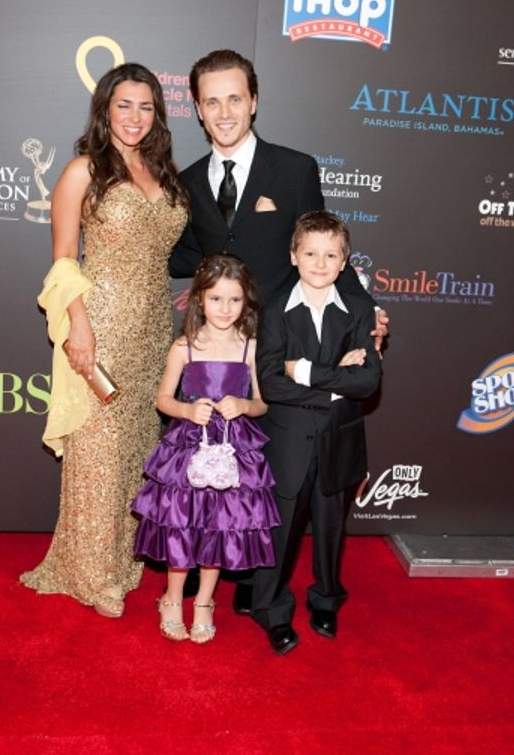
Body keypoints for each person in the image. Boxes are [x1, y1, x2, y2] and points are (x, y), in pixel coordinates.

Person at [168, 48, 388, 609]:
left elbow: (323, 250)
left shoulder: (294, 169)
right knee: (212, 452)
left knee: (268, 467)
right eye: (212, 101)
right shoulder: (187, 182)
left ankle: (252, 579)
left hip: (282, 344)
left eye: (234, 98)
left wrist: (365, 315)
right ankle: (211, 558)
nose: (224, 112)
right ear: (197, 108)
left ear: (254, 102)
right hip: (220, 345)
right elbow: (184, 253)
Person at [20, 63, 188, 618]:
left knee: (137, 450)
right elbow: (63, 260)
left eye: (146, 106)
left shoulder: (163, 173)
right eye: (124, 105)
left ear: (157, 114)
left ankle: (121, 560)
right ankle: (91, 575)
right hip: (102, 326)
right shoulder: (83, 170)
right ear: (105, 110)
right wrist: (79, 325)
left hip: (154, 330)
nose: (135, 117)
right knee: (99, 453)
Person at [132, 254, 280, 643]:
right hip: (188, 447)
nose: (225, 308)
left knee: (220, 527)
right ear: (200, 298)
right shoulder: (184, 347)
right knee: (181, 526)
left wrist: (244, 405)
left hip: (234, 450)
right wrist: (185, 409)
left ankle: (204, 602)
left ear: (246, 302)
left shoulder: (250, 348)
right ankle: (172, 598)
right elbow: (163, 399)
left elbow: (263, 403)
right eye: (216, 299)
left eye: (234, 300)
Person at [252, 211, 382, 654]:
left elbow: (368, 380)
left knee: (331, 528)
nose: (320, 263)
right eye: (310, 253)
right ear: (294, 256)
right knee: (280, 531)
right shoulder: (274, 309)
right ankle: (270, 608)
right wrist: (334, 380)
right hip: (288, 441)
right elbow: (271, 383)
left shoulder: (359, 310)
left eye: (330, 255)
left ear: (344, 262)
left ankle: (326, 600)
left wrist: (304, 370)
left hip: (338, 438)